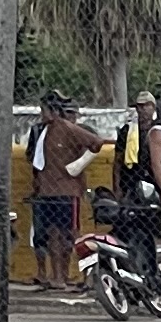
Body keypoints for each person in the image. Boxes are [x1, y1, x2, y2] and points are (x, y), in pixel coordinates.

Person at [104, 93, 161, 290]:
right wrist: (117, 188)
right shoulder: (128, 132)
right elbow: (118, 162)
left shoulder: (160, 131)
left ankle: (155, 273)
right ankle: (136, 272)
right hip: (133, 189)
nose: (142, 110)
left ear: (153, 107)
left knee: (158, 231)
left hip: (154, 189)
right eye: (138, 106)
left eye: (145, 106)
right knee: (132, 232)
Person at [27, 96, 98, 288]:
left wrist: (78, 165)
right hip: (48, 191)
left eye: (45, 111)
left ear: (54, 112)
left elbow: (96, 143)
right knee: (53, 235)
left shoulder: (67, 128)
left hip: (68, 190)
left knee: (73, 234)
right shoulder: (42, 131)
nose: (42, 115)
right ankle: (58, 276)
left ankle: (89, 276)